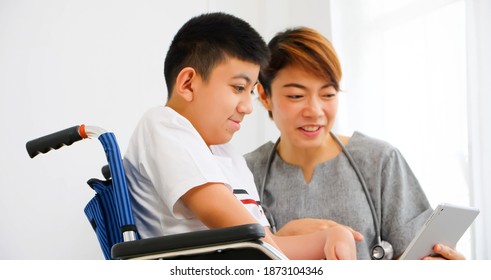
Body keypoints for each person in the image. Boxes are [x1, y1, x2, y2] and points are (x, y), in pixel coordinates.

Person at [123, 13, 359, 260]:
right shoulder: (163, 125)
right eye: (238, 88)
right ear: (188, 84)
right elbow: (252, 242)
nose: (247, 106)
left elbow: (266, 244)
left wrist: (331, 238)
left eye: (250, 91)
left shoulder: (227, 154)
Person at [244, 26, 466, 260]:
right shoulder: (246, 171)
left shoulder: (380, 160)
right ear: (264, 95)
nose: (315, 111)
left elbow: (421, 255)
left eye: (328, 94)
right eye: (296, 96)